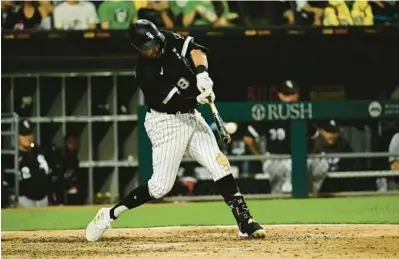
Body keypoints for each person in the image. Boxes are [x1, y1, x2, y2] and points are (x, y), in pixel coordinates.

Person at [85, 19, 265, 241]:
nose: (155, 49)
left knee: (219, 162)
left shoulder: (166, 39)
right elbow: (174, 103)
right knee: (160, 187)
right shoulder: (145, 73)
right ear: (137, 49)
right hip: (166, 122)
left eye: (156, 43)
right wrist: (198, 98)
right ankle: (108, 215)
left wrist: (202, 74)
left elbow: (196, 50)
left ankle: (244, 220)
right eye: (148, 47)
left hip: (190, 116)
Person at [17, 120, 52, 207]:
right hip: (24, 200)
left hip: (43, 199)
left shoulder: (39, 150)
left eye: (29, 133)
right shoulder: (13, 156)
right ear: (17, 136)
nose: (27, 137)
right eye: (24, 134)